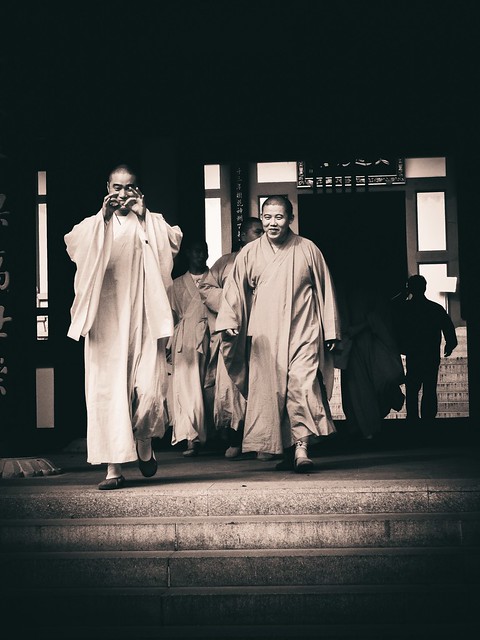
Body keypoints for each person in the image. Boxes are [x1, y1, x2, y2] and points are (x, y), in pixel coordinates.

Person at [65, 164, 182, 489]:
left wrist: (145, 216)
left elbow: (172, 245)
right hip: (106, 322)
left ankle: (143, 443)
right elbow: (76, 249)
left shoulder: (152, 221)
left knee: (149, 390)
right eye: (116, 187)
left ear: (138, 190)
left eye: (128, 187)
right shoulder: (92, 225)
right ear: (107, 187)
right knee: (108, 392)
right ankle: (113, 468)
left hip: (143, 319)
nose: (121, 193)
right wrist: (103, 219)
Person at [215, 195, 340, 473]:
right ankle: (286, 448)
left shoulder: (307, 249)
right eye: (267, 218)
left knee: (302, 385)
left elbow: (325, 289)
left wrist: (330, 329)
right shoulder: (249, 252)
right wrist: (231, 319)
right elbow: (235, 289)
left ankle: (302, 448)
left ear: (290, 219)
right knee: (273, 392)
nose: (273, 223)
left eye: (279, 217)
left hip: (303, 329)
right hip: (266, 335)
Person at [199, 217, 264, 458]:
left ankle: (263, 441)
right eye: (257, 231)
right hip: (234, 333)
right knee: (233, 388)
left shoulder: (271, 259)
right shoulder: (226, 262)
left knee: (263, 384)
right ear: (243, 235)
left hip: (262, 332)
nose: (262, 235)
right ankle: (236, 438)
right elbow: (206, 289)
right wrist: (232, 301)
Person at [336, 278, 405, 441]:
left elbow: (377, 318)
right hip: (355, 346)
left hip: (367, 343)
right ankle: (364, 427)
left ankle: (367, 427)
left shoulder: (368, 294)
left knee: (365, 388)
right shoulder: (347, 292)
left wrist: (356, 329)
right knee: (358, 389)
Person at [170, 239, 211, 456]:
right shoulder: (176, 284)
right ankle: (191, 437)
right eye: (197, 250)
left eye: (204, 251)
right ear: (187, 253)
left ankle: (217, 434)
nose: (201, 255)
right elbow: (172, 316)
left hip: (211, 335)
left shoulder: (215, 279)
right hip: (186, 340)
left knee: (210, 385)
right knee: (187, 387)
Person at [398, 274, 458, 424]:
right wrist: (450, 343)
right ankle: (428, 419)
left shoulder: (405, 308)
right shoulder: (435, 308)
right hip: (431, 354)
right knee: (430, 388)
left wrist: (403, 294)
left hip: (414, 353)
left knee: (412, 388)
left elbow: (391, 310)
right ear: (425, 288)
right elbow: (448, 327)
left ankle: (412, 418)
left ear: (409, 288)